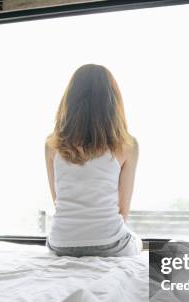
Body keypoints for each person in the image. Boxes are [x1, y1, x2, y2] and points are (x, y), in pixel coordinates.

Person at [45, 64, 141, 257]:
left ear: (70, 100)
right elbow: (123, 211)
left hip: (60, 243)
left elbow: (58, 201)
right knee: (137, 242)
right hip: (109, 243)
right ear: (113, 102)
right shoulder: (128, 146)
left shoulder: (52, 144)